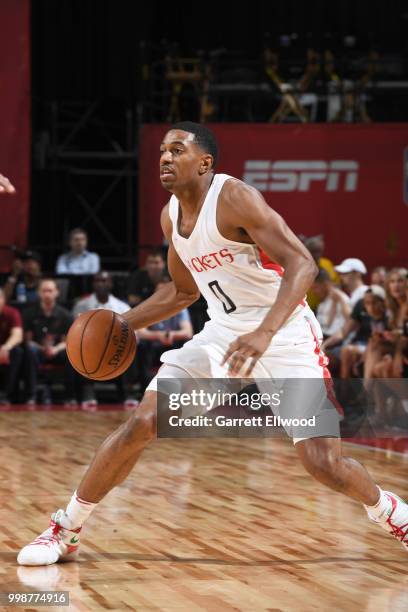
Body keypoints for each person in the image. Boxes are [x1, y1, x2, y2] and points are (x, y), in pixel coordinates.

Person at [18, 122, 408, 567]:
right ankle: (66, 528)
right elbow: (181, 291)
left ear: (205, 162)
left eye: (177, 150)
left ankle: (389, 511)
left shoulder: (234, 198)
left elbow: (302, 265)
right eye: (162, 150)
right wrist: (121, 323)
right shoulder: (171, 216)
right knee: (141, 422)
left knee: (324, 463)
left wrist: (264, 332)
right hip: (222, 337)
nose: (165, 157)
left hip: (285, 336)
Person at [73, 272, 137, 409]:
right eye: (97, 280)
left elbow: (134, 333)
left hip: (117, 349)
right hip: (89, 350)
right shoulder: (81, 306)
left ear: (111, 284)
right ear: (92, 284)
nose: (100, 283)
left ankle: (127, 394)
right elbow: (74, 334)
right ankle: (88, 394)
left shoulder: (122, 307)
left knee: (130, 350)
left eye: (104, 280)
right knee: (82, 352)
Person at [23, 279, 76, 406]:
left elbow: (67, 341)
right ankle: (31, 395)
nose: (47, 294)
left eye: (50, 291)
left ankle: (70, 396)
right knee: (29, 351)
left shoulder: (66, 315)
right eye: (44, 291)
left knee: (72, 354)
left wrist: (55, 349)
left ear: (57, 292)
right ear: (38, 293)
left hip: (58, 350)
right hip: (38, 351)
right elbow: (28, 341)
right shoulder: (29, 313)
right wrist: (42, 348)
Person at [137, 279, 193, 389]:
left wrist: (171, 335)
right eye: (159, 292)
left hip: (173, 345)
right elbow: (141, 332)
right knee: (141, 346)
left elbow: (188, 332)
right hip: (154, 346)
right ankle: (145, 389)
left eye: (166, 292)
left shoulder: (180, 307)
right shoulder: (147, 308)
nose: (163, 295)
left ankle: (185, 389)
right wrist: (159, 335)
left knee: (188, 344)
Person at [0, 288, 23, 405]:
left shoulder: (12, 313)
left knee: (17, 351)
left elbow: (18, 335)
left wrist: (6, 347)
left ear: (3, 300)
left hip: (5, 352)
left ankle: (6, 395)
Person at [311, 269, 350, 338]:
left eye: (315, 288)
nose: (314, 292)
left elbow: (348, 322)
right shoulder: (323, 302)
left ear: (326, 284)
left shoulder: (341, 298)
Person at [304, 235, 339, 311]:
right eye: (313, 251)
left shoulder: (327, 264)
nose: (317, 255)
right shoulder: (301, 266)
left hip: (326, 307)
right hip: (306, 308)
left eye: (319, 251)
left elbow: (337, 285)